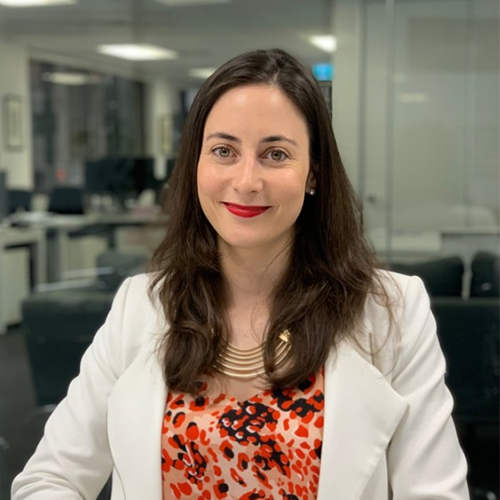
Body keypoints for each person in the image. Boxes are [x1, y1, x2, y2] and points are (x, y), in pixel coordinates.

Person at [12, 49, 468, 500]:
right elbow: (49, 480)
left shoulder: (393, 310)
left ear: (314, 174)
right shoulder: (141, 304)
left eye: (275, 154)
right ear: (196, 165)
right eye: (224, 151)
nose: (247, 180)